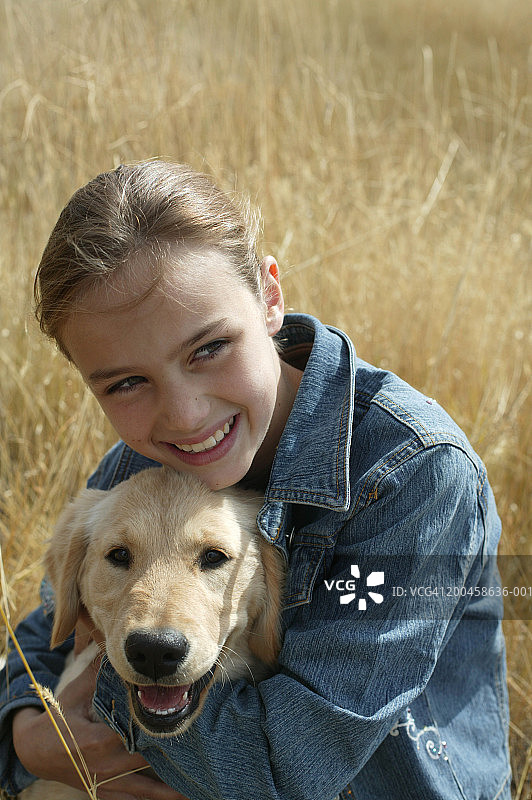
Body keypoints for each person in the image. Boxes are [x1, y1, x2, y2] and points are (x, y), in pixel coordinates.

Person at [0, 161, 511, 800]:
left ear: (270, 297)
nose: (186, 415)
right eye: (128, 382)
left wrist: (98, 709)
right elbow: (41, 634)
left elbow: (283, 773)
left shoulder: (411, 477)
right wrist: (28, 733)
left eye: (208, 348)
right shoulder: (138, 468)